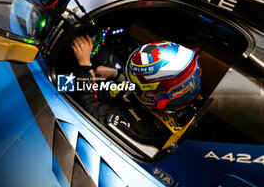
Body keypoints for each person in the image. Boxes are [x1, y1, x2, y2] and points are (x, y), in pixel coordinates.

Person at [71, 35, 202, 147]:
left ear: (153, 97)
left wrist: (84, 64)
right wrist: (116, 73)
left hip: (108, 107)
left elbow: (87, 105)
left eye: (135, 81)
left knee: (65, 83)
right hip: (124, 98)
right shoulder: (185, 94)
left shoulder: (140, 128)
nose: (130, 80)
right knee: (104, 56)